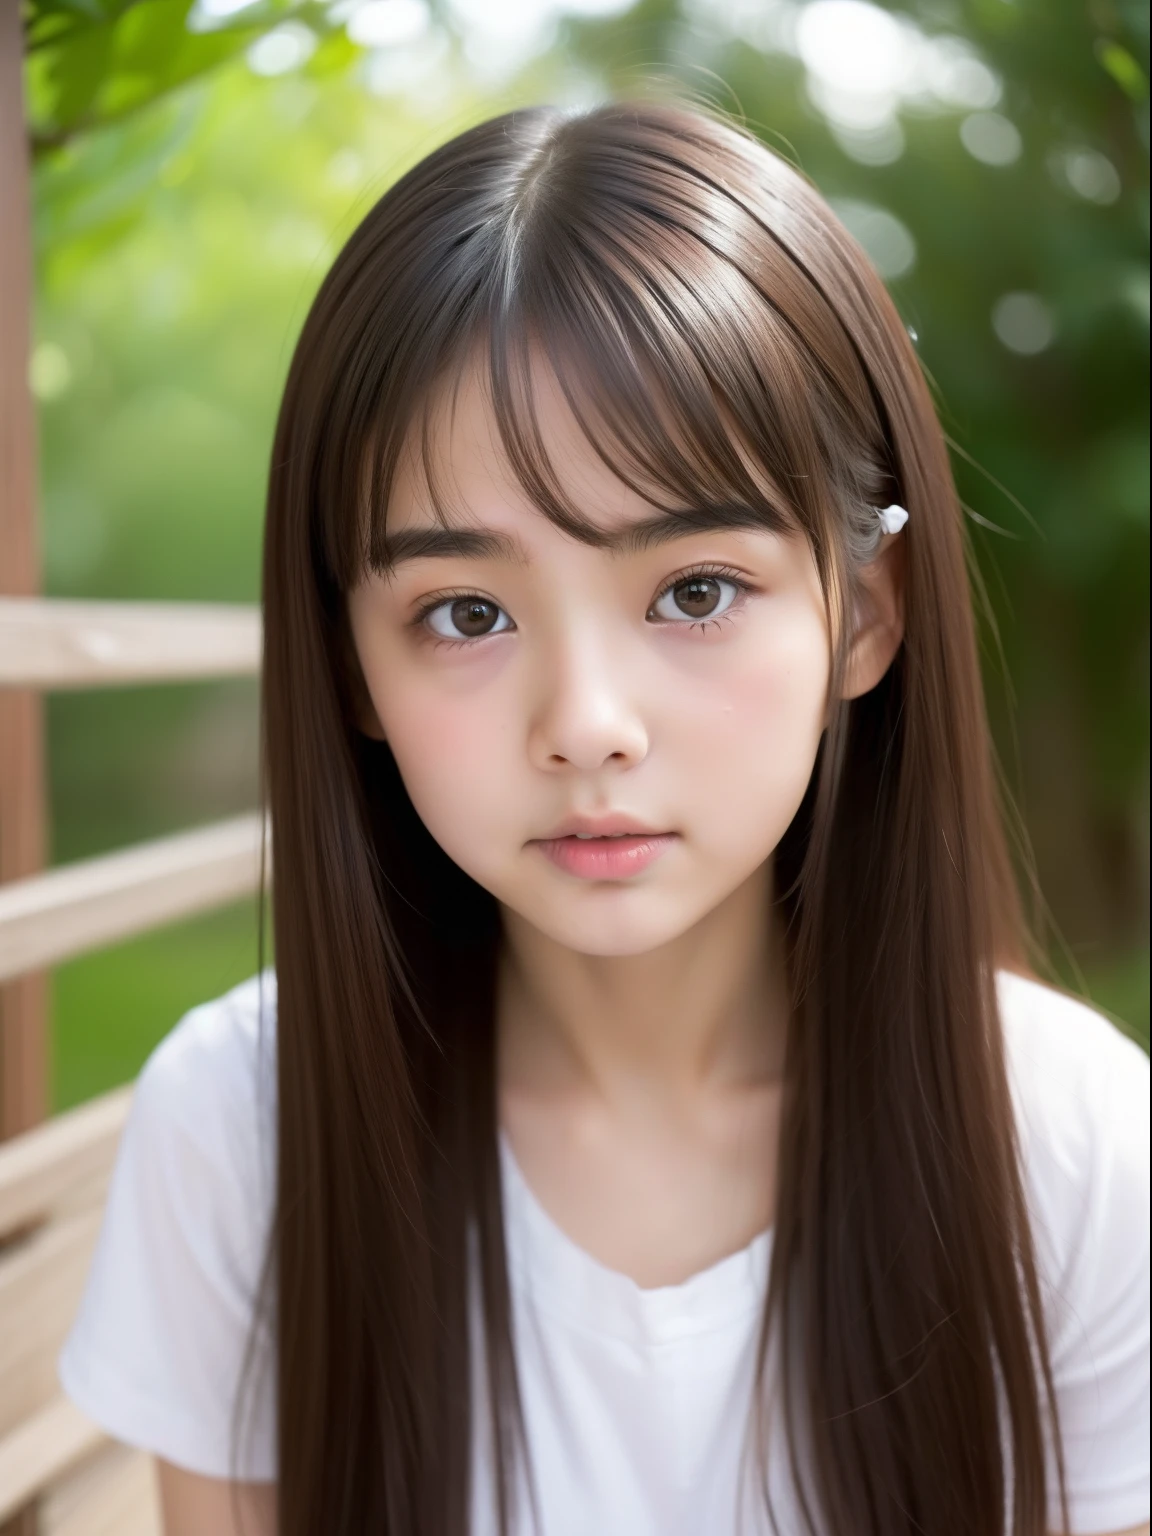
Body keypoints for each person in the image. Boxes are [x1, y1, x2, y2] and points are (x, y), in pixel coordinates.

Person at [57, 99, 1150, 1536]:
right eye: (464, 611)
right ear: (351, 668)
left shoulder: (1067, 1147)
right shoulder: (245, 1128)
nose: (584, 723)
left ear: (866, 613)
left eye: (694, 590)